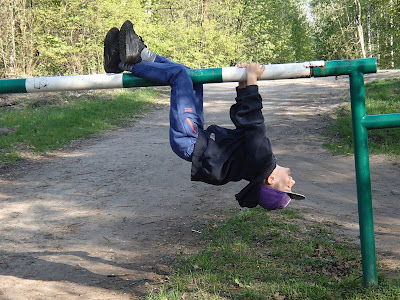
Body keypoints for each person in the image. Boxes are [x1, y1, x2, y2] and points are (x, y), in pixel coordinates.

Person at [104, 20, 305, 210]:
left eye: (288, 187)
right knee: (194, 77)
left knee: (180, 76)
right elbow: (244, 123)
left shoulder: (261, 159)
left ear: (270, 180)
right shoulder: (256, 162)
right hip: (196, 136)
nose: (293, 181)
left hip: (190, 139)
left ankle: (125, 64)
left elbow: (254, 121)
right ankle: (141, 54)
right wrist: (243, 83)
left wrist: (252, 81)